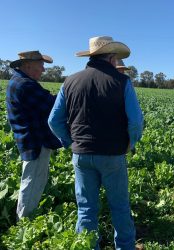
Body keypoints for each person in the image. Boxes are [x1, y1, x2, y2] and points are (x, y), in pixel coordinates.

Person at [48, 36, 143, 249]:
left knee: (86, 208)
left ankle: (89, 246)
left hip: (80, 154)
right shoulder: (122, 82)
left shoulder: (69, 81)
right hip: (112, 155)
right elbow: (136, 121)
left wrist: (69, 142)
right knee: (119, 206)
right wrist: (131, 143)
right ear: (110, 58)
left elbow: (53, 120)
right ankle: (125, 246)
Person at [6, 51, 62, 220]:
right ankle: (24, 223)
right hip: (35, 141)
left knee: (34, 180)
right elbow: (51, 104)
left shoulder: (18, 81)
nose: (43, 70)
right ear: (28, 66)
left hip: (30, 140)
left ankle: (24, 219)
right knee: (32, 183)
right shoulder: (25, 85)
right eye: (41, 65)